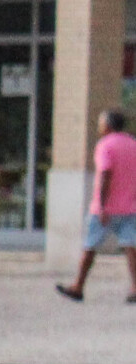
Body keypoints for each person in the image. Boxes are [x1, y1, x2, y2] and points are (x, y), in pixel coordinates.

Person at [58, 108, 136, 303]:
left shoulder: (105, 145)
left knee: (90, 247)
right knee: (131, 247)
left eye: (101, 123)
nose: (99, 127)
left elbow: (105, 174)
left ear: (108, 126)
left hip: (106, 209)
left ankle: (78, 285)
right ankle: (135, 287)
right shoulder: (133, 144)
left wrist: (102, 206)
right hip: (129, 206)